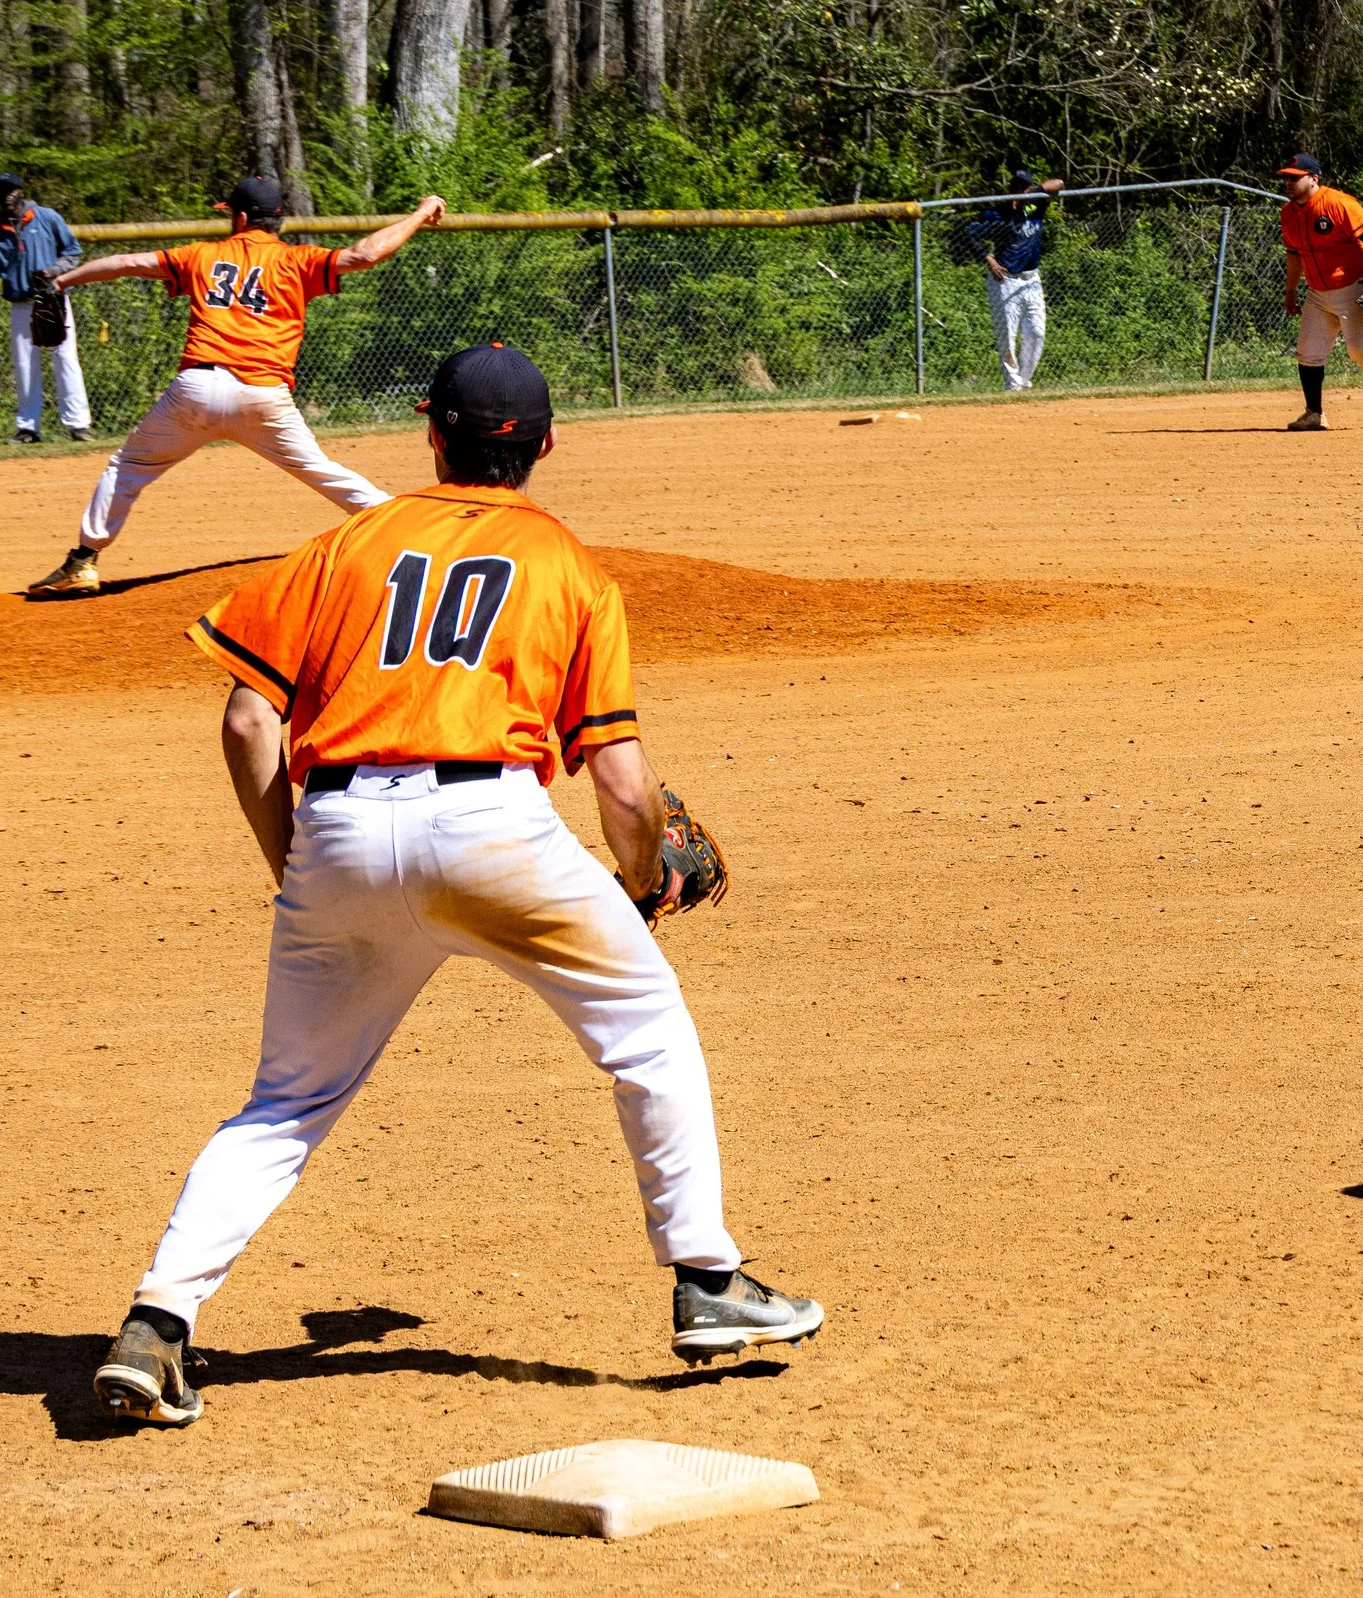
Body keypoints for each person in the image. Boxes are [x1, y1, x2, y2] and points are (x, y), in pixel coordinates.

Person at [90, 343, 824, 1427]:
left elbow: (250, 718)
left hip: (334, 828)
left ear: (430, 432)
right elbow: (622, 786)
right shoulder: (569, 565)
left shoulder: (347, 541)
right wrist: (640, 881)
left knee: (284, 1102)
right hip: (494, 829)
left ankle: (156, 1324)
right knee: (646, 1026)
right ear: (547, 443)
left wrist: (297, 862)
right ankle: (708, 1281)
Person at [26, 177, 446, 599]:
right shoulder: (297, 260)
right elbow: (367, 253)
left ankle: (82, 562)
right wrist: (420, 213)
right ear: (278, 220)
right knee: (323, 473)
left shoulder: (203, 255)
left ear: (241, 217)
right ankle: (407, 529)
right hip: (263, 395)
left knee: (128, 468)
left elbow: (123, 261)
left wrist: (62, 283)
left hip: (196, 390)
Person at [1277, 154, 1363, 432]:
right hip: (1317, 291)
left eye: (1294, 177)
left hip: (1354, 285)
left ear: (1313, 178)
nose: (1288, 182)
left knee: (1361, 351)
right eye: (1286, 177)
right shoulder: (1289, 213)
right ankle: (1314, 413)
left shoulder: (1339, 204)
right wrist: (1291, 291)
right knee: (1308, 352)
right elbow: (1294, 255)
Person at [0, 173, 92, 444]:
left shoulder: (46, 217)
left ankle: (78, 425)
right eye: (0, 190)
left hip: (53, 300)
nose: (6, 195)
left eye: (11, 190)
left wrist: (53, 272)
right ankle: (28, 428)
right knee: (25, 366)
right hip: (20, 305)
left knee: (65, 360)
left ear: (21, 192)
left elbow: (72, 252)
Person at [974, 169, 1066, 391]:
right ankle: (1013, 385)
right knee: (1007, 336)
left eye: (1025, 186)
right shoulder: (998, 214)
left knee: (1037, 332)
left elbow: (1059, 183)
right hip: (1005, 281)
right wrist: (988, 258)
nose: (1021, 190)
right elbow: (969, 233)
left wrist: (1033, 193)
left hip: (1032, 279)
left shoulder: (1035, 205)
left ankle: (1024, 380)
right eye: (1017, 186)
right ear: (1010, 189)